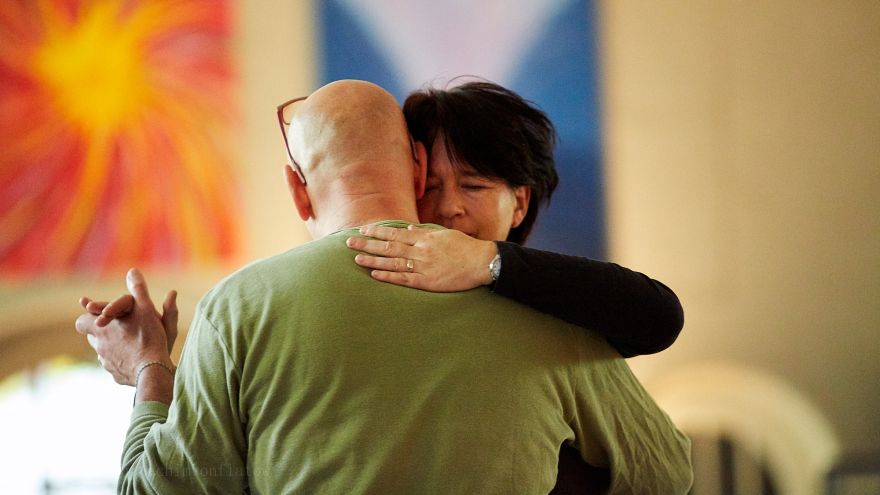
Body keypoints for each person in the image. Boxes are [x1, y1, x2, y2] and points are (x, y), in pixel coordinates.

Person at [76, 80, 692, 493]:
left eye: (475, 185)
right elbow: (665, 471)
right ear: (417, 170)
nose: (449, 212)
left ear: (297, 189)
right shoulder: (551, 321)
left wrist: (151, 368)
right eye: (439, 186)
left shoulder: (240, 308)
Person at [347, 81, 683, 359]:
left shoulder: (549, 303)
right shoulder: (376, 285)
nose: (449, 207)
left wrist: (486, 261)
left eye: (473, 185)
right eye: (429, 187)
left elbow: (660, 318)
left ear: (520, 203)